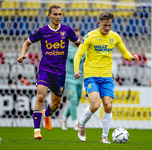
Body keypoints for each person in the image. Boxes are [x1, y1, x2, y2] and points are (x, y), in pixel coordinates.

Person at [74, 11, 139, 144]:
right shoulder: (90, 36)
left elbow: (124, 50)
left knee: (108, 106)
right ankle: (81, 125)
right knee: (95, 105)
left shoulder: (114, 36)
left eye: (109, 25)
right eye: (105, 25)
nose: (107, 28)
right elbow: (78, 54)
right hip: (91, 75)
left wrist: (131, 56)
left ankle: (104, 137)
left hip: (107, 77)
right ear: (99, 23)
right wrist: (77, 70)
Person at [17, 5, 81, 140]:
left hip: (60, 73)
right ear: (49, 16)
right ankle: (36, 130)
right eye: (55, 14)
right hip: (45, 69)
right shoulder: (42, 31)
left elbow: (80, 44)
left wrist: (86, 53)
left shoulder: (67, 30)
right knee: (40, 97)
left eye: (60, 14)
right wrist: (23, 55)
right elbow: (26, 43)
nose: (58, 17)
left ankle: (46, 114)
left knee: (56, 105)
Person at [61, 29, 85, 130]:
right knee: (74, 99)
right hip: (69, 79)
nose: (76, 38)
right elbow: (77, 57)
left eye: (78, 36)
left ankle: (64, 118)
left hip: (80, 79)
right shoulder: (67, 49)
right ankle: (76, 123)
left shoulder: (82, 48)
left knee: (76, 102)